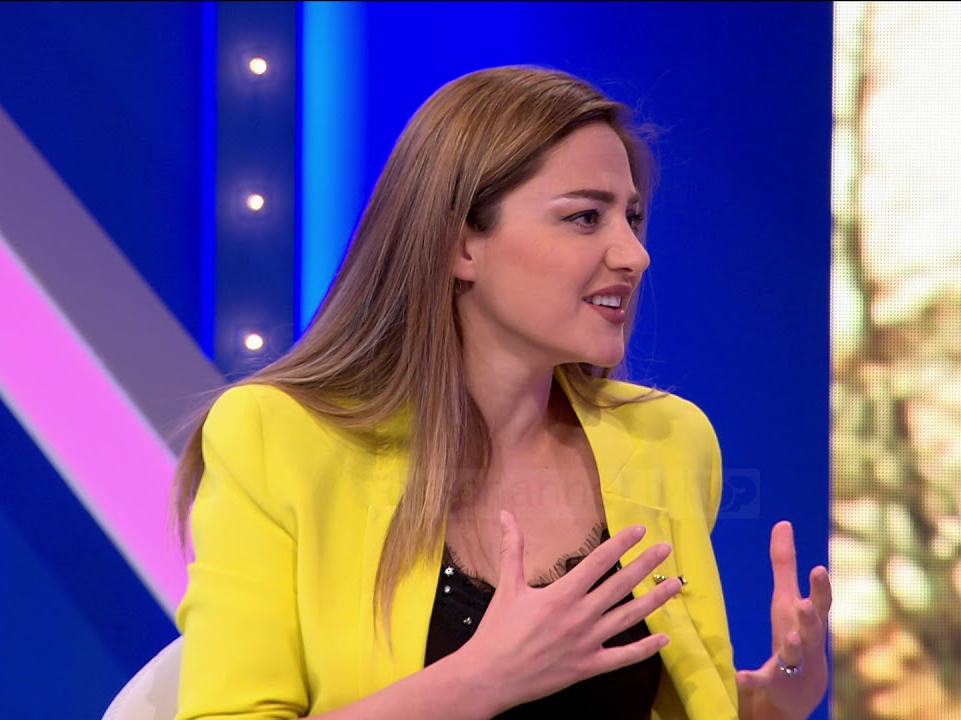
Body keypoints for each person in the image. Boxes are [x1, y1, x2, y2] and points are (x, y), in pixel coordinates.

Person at [172, 65, 832, 720]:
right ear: (461, 244)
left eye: (631, 217)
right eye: (585, 217)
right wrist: (478, 683)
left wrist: (774, 698)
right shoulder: (274, 437)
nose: (634, 254)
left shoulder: (668, 440)